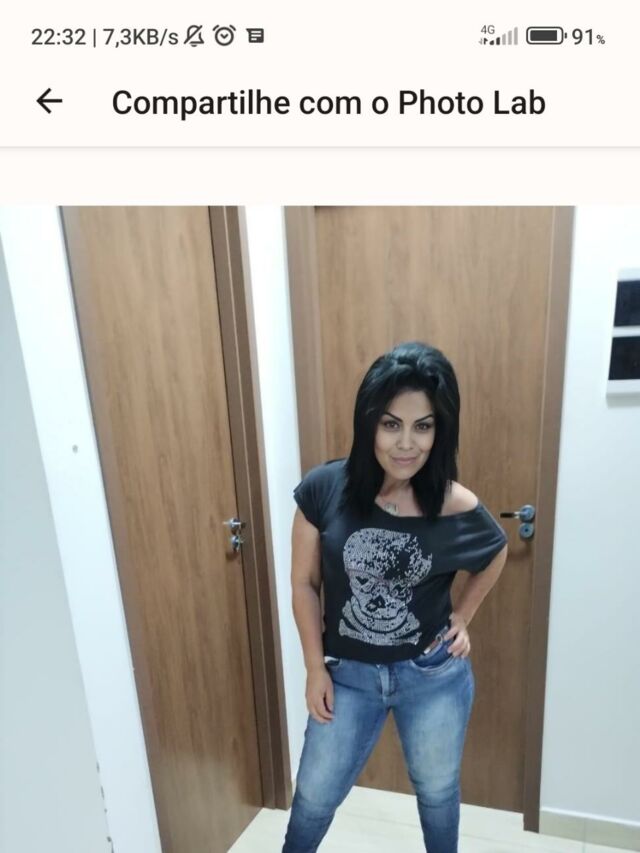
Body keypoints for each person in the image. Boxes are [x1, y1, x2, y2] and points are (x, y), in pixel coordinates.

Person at [282, 341, 509, 853]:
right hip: (348, 677)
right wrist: (315, 667)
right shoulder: (324, 489)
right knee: (313, 797)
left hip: (432, 675)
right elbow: (303, 583)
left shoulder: (452, 504)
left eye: (422, 426)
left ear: (439, 430)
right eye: (391, 424)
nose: (407, 444)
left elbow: (496, 551)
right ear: (369, 424)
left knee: (437, 794)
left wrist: (463, 615)